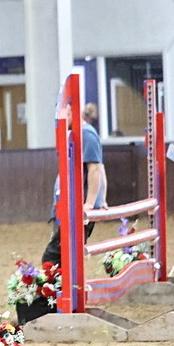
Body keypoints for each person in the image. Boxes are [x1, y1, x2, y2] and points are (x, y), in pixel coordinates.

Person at [42, 102, 106, 264]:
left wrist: (91, 203)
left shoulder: (87, 135)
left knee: (53, 258)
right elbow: (99, 168)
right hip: (70, 207)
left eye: (67, 115)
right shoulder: (77, 135)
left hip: (78, 209)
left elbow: (96, 169)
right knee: (62, 256)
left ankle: (63, 288)